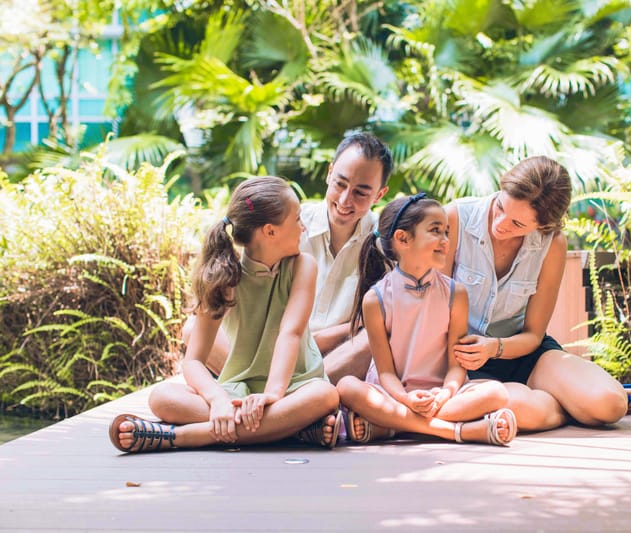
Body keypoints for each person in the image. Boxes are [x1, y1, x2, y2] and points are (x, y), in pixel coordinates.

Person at [109, 176, 341, 453]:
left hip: (292, 386)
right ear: (270, 232)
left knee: (325, 395)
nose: (303, 228)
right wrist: (217, 399)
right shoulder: (224, 276)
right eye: (297, 219)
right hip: (237, 392)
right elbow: (193, 361)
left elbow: (289, 333)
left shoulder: (303, 266)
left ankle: (185, 437)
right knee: (162, 398)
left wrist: (272, 396)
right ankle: (292, 429)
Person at [442, 156, 631, 433]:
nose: (500, 224)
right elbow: (430, 311)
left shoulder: (552, 244)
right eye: (500, 207)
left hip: (521, 354)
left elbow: (533, 335)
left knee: (610, 405)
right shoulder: (454, 218)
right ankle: (567, 404)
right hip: (458, 361)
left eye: (517, 224)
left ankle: (573, 399)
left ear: (544, 225)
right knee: (524, 409)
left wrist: (494, 347)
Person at [197, 133, 391, 384]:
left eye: (361, 193)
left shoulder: (383, 243)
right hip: (268, 350)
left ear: (379, 194)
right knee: (194, 331)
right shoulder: (288, 224)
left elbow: (384, 321)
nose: (345, 200)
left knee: (371, 339)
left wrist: (325, 337)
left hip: (335, 356)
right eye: (340, 184)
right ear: (330, 173)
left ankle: (281, 396)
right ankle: (287, 402)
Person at [337, 194, 518, 446]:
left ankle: (391, 427)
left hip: (442, 395)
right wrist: (406, 400)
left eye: (446, 232)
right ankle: (458, 431)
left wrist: (445, 394)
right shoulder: (375, 299)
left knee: (496, 392)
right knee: (346, 387)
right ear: (402, 239)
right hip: (394, 394)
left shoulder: (456, 293)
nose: (445, 241)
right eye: (435, 231)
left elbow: (457, 366)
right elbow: (385, 372)